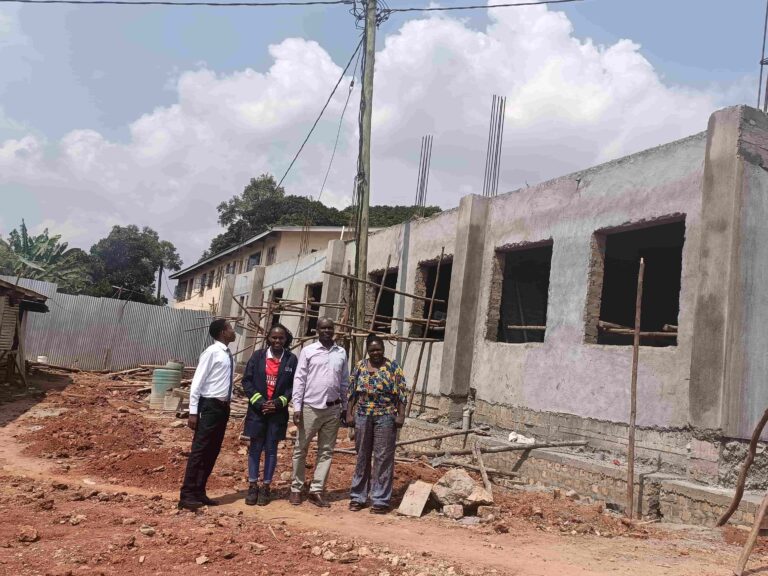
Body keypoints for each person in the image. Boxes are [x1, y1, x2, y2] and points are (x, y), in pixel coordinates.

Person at [290, 317, 349, 507]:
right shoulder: (308, 351)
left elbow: (344, 382)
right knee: (301, 449)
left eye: (330, 328)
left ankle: (316, 490)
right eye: (323, 328)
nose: (326, 331)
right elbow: (299, 380)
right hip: (310, 407)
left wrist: (345, 407)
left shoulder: (341, 352)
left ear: (334, 330)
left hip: (333, 409)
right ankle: (296, 488)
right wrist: (297, 407)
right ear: (317, 330)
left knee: (326, 451)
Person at [178, 319, 236, 510]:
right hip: (209, 406)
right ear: (222, 332)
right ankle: (186, 495)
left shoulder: (228, 354)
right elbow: (197, 382)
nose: (233, 331)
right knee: (200, 450)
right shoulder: (211, 353)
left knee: (213, 450)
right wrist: (193, 412)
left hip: (222, 407)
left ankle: (199, 491)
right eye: (230, 328)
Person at [346, 334, 407, 514]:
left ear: (383, 349)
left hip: (386, 415)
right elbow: (351, 392)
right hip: (363, 415)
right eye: (372, 350)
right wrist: (349, 413)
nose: (376, 353)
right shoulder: (359, 367)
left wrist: (401, 415)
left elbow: (402, 393)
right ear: (367, 350)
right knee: (362, 455)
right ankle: (358, 497)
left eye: (378, 349)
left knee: (383, 457)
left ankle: (380, 499)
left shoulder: (393, 367)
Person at [241, 324, 297, 506]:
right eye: (274, 337)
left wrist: (278, 403)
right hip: (257, 412)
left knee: (271, 450)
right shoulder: (257, 357)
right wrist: (260, 402)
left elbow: (293, 386)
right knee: (255, 449)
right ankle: (252, 486)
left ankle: (266, 487)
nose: (277, 341)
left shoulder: (291, 360)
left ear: (286, 339)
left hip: (277, 414)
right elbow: (247, 381)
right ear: (268, 339)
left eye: (281, 338)